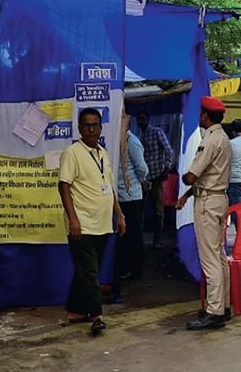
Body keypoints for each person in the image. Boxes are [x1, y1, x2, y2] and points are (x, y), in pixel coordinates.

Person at [58, 107, 126, 335]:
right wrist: (73, 219)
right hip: (82, 223)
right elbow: (64, 186)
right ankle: (96, 315)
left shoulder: (102, 153)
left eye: (95, 125)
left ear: (100, 127)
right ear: (80, 128)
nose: (91, 129)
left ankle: (76, 311)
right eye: (86, 125)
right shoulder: (72, 153)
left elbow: (109, 187)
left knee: (86, 269)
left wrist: (119, 214)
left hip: (102, 224)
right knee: (89, 272)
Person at [176, 96, 232, 331]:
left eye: (201, 112)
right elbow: (208, 176)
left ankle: (214, 311)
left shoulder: (209, 141)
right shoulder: (224, 138)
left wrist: (183, 177)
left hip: (208, 202)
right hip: (219, 198)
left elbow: (192, 176)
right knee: (219, 255)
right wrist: (187, 195)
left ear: (205, 116)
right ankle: (224, 306)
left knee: (209, 259)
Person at [115, 114, 149, 283]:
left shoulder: (132, 141)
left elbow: (142, 168)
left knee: (132, 234)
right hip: (120, 195)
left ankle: (135, 269)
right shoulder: (117, 140)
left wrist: (140, 182)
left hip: (131, 196)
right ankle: (126, 267)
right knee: (124, 234)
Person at [137, 111, 174, 249]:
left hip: (157, 176)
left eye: (142, 119)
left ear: (148, 119)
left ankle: (157, 240)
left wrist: (167, 168)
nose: (140, 122)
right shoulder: (139, 136)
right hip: (144, 178)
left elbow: (169, 151)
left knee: (158, 210)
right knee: (140, 210)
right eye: (138, 120)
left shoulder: (157, 132)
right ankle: (139, 239)